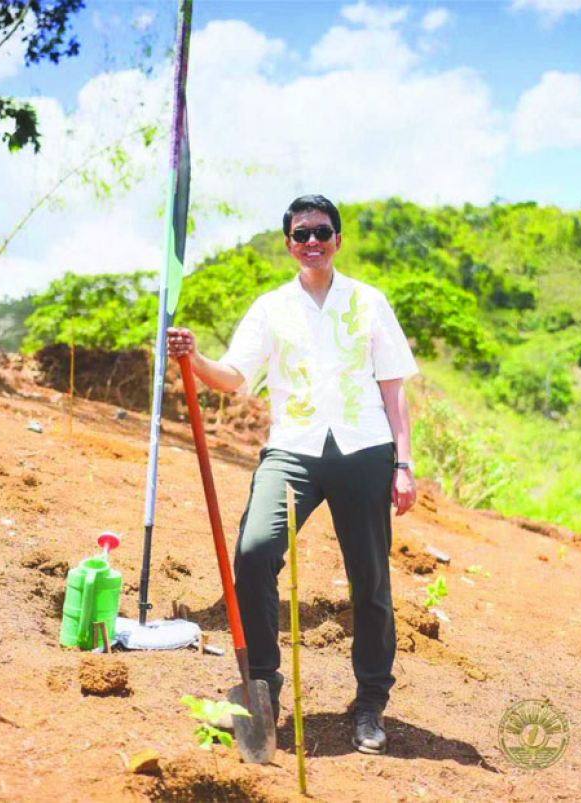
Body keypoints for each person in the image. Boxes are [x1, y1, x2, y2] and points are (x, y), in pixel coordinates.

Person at [168, 194, 418, 755]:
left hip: (363, 449)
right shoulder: (270, 308)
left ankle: (370, 703)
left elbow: (393, 388)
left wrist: (404, 464)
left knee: (370, 583)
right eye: (301, 234)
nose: (312, 241)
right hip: (294, 449)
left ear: (337, 239)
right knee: (254, 552)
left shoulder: (369, 302)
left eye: (321, 232)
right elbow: (233, 377)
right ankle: (263, 690)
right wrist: (194, 357)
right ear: (288, 244)